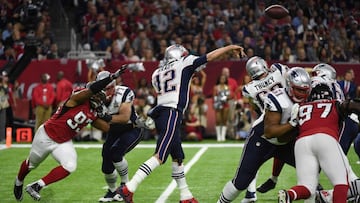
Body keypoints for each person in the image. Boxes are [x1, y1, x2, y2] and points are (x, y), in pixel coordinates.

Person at [118, 44, 246, 203]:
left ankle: (185, 196)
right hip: (172, 113)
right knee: (160, 155)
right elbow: (210, 57)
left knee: (177, 157)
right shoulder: (184, 63)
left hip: (162, 114)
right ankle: (129, 188)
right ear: (181, 54)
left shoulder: (156, 72)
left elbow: (177, 82)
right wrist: (230, 47)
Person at [13, 68, 125, 201]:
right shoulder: (77, 97)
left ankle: (37, 186)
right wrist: (112, 77)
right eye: (97, 95)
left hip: (63, 141)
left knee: (70, 165)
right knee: (31, 164)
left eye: (101, 97)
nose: (99, 99)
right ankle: (18, 182)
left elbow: (107, 128)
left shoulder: (94, 112)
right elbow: (91, 90)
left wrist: (122, 123)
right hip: (46, 136)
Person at [217, 67, 311, 203]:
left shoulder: (308, 96)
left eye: (305, 90)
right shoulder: (278, 98)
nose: (303, 94)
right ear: (289, 86)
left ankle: (319, 196)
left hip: (285, 142)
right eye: (299, 90)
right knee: (241, 182)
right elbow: (270, 133)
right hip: (262, 140)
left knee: (310, 169)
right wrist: (293, 124)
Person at [277, 79, 360, 203]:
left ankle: (289, 195)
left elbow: (288, 133)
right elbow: (352, 105)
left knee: (307, 187)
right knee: (342, 184)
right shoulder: (334, 103)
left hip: (302, 143)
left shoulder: (300, 108)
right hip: (325, 138)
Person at [96, 70, 155, 202]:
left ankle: (125, 187)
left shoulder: (124, 93)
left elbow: (124, 118)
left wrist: (104, 116)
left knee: (116, 153)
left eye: (108, 88)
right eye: (102, 88)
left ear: (114, 85)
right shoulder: (94, 97)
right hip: (113, 129)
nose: (105, 92)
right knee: (106, 160)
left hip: (131, 128)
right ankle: (112, 191)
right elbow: (101, 125)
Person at [240, 56, 289, 202]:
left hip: (269, 123)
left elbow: (256, 108)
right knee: (302, 157)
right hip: (290, 119)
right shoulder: (279, 70)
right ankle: (315, 188)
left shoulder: (248, 88)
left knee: (253, 158)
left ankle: (250, 193)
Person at [213, 74, 230, 142]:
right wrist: (218, 101)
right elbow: (214, 96)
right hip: (218, 104)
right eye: (221, 78)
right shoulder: (216, 87)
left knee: (224, 120)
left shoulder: (227, 87)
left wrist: (225, 98)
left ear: (225, 80)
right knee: (218, 120)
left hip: (225, 104)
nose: (222, 80)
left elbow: (229, 96)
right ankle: (218, 136)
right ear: (219, 79)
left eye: (224, 79)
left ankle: (223, 136)